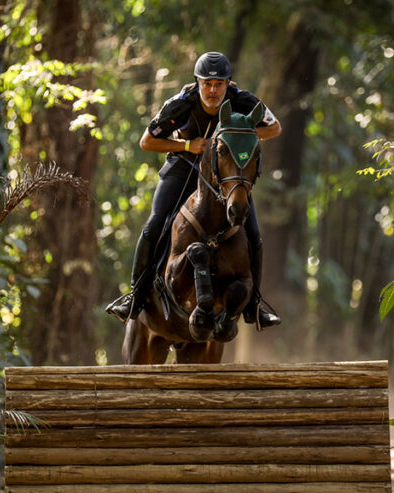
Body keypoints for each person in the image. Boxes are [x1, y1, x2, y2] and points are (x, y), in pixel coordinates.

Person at [106, 51, 282, 330]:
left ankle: (254, 305)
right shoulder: (180, 104)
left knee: (254, 235)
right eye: (207, 84)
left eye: (219, 84)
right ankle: (135, 297)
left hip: (224, 175)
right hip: (184, 167)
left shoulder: (243, 100)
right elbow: (147, 142)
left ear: (228, 84)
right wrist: (188, 146)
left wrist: (238, 136)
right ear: (198, 82)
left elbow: (274, 128)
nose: (213, 90)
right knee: (154, 225)